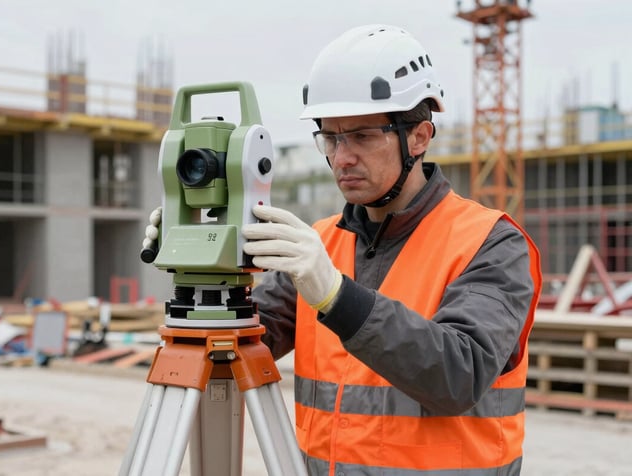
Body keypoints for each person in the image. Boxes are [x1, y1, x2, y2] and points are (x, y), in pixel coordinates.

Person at [144, 24, 541, 476]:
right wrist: (199, 251)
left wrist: (335, 295)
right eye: (330, 138)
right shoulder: (321, 242)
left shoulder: (492, 242)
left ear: (419, 136)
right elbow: (242, 345)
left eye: (363, 136)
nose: (341, 157)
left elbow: (459, 375)